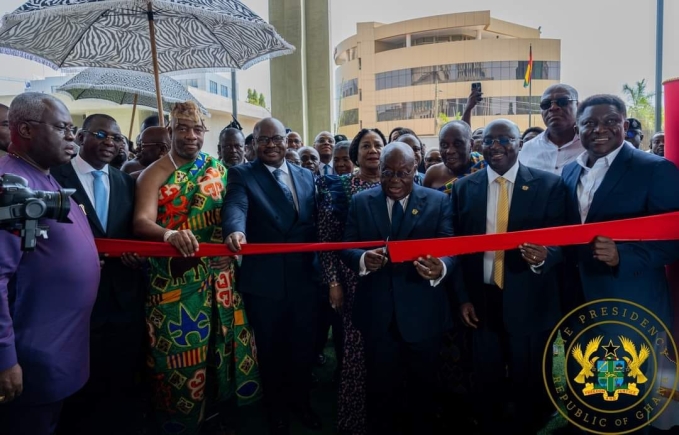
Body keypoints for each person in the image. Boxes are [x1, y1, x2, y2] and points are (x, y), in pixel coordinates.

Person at [134, 101, 261, 435]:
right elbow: (141, 222)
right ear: (171, 132)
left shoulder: (218, 168)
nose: (191, 136)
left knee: (225, 349)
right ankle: (182, 421)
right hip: (175, 284)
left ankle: (221, 413)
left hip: (221, 278)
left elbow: (234, 216)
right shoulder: (154, 174)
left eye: (197, 130)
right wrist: (170, 233)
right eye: (183, 129)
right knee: (179, 357)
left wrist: (231, 252)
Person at [451, 119, 566, 435]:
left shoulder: (549, 185)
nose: (496, 146)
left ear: (520, 143)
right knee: (486, 378)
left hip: (530, 298)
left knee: (528, 380)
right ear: (479, 146)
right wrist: (463, 297)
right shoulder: (463, 188)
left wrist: (546, 255)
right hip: (481, 300)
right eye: (489, 140)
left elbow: (564, 243)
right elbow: (457, 250)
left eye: (505, 139)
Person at [0, 93, 100, 435]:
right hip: (28, 356)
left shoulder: (42, 174)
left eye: (72, 128)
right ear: (25, 129)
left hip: (57, 349)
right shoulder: (11, 186)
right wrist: (4, 359)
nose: (72, 136)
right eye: (62, 128)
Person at [341, 142, 455, 435]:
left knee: (423, 393)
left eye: (402, 173)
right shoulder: (360, 201)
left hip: (423, 316)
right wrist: (364, 258)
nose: (394, 181)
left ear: (415, 170)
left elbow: (450, 247)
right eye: (387, 173)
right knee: (380, 394)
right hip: (377, 316)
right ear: (378, 171)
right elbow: (347, 246)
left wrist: (440, 266)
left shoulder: (438, 201)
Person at [223, 117, 319, 435]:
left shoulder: (307, 175)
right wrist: (235, 232)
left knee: (304, 348)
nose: (271, 145)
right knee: (271, 351)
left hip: (305, 279)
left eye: (276, 138)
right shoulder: (241, 174)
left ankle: (300, 403)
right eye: (263, 140)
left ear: (287, 140)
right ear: (253, 144)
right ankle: (276, 411)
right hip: (266, 284)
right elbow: (236, 206)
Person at [52, 114, 146, 435]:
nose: (110, 142)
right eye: (102, 134)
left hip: (123, 297)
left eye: (117, 138)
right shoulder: (53, 178)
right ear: (80, 137)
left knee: (118, 378)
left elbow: (133, 234)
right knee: (79, 384)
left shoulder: (126, 182)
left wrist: (137, 255)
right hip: (76, 302)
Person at [562, 95, 679, 328]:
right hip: (577, 306)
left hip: (629, 308)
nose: (600, 129)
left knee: (618, 367)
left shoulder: (655, 169)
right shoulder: (569, 171)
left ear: (624, 126)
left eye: (610, 121)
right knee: (581, 365)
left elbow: (672, 242)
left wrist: (621, 256)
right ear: (577, 129)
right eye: (590, 123)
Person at [315, 128, 386, 435]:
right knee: (356, 352)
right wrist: (334, 283)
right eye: (366, 145)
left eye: (378, 145)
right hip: (354, 281)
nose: (373, 150)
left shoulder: (405, 180)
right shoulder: (340, 186)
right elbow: (327, 241)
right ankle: (355, 421)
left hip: (395, 281)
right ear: (355, 154)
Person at [519, 84, 584, 175]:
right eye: (546, 104)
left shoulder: (590, 148)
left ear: (578, 106)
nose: (553, 107)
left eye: (562, 102)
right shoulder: (527, 150)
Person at [423, 120, 485, 194]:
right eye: (444, 145)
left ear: (471, 144)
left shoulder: (484, 169)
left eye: (457, 144)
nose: (450, 151)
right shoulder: (432, 174)